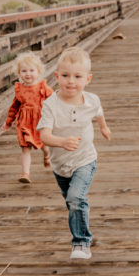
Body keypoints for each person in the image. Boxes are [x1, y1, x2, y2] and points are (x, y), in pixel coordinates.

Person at [38, 47, 111, 261]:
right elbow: (44, 136)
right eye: (66, 76)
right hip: (60, 165)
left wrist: (104, 128)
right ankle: (83, 226)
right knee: (72, 203)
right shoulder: (50, 105)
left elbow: (99, 113)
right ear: (56, 77)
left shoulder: (91, 100)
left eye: (77, 77)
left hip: (85, 159)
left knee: (76, 197)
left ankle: (81, 242)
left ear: (87, 79)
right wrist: (61, 142)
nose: (71, 81)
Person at [3, 52, 52, 182]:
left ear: (39, 72)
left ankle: (47, 155)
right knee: (25, 148)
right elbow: (14, 107)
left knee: (45, 145)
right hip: (24, 123)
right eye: (24, 71)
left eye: (31, 70)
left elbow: (54, 101)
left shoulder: (43, 87)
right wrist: (9, 122)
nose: (28, 74)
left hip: (40, 121)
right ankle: (25, 174)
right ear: (19, 73)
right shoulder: (20, 89)